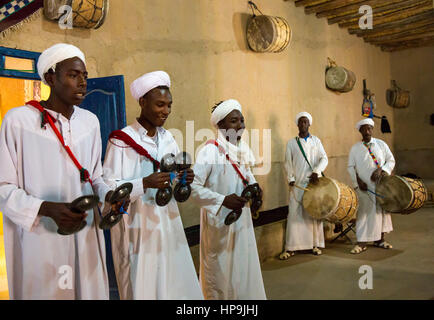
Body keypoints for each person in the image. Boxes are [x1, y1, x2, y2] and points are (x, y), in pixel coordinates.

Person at [0, 43, 123, 299]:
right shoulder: (18, 121)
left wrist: (109, 194)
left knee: (87, 289)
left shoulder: (89, 122)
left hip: (85, 230)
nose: (82, 83)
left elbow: (95, 176)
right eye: (73, 75)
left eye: (85, 76)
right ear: (50, 78)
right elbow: (4, 188)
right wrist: (45, 208)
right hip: (41, 235)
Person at [102, 71, 203, 300]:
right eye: (160, 104)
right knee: (143, 285)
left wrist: (184, 176)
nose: (166, 111)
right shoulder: (121, 141)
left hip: (167, 223)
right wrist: (143, 183)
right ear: (142, 102)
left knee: (173, 283)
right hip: (138, 229)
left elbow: (175, 176)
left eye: (169, 105)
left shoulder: (167, 138)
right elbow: (107, 188)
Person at [190, 99, 266, 300]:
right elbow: (192, 188)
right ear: (220, 125)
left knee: (242, 272)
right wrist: (222, 200)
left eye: (242, 120)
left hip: (242, 222)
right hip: (219, 225)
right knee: (220, 276)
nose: (240, 125)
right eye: (234, 121)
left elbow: (247, 177)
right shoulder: (209, 151)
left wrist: (256, 192)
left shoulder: (242, 150)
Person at [280, 112, 328, 260]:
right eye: (300, 122)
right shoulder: (292, 143)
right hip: (298, 185)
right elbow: (287, 163)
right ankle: (292, 247)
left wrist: (317, 171)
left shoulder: (316, 141)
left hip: (313, 184)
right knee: (295, 214)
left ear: (309, 124)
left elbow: (324, 158)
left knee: (312, 213)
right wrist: (291, 178)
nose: (303, 125)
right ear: (297, 125)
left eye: (305, 122)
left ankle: (314, 244)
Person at [347, 118, 395, 254]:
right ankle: (361, 242)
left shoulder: (381, 144)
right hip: (364, 187)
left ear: (372, 130)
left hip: (380, 185)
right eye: (364, 129)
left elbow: (390, 160)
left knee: (381, 211)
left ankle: (380, 239)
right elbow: (351, 167)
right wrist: (358, 182)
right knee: (364, 214)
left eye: (369, 128)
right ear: (360, 131)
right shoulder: (355, 148)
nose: (367, 131)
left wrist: (382, 170)